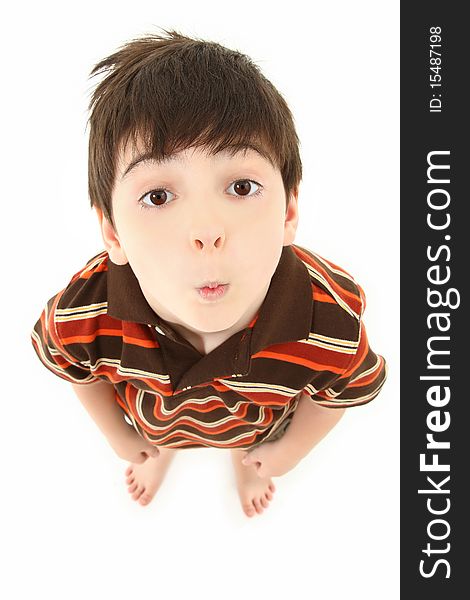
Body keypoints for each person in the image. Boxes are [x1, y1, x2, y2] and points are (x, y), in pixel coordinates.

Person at [31, 28, 388, 517]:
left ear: (288, 211)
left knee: (256, 448)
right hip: (155, 417)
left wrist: (286, 453)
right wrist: (119, 436)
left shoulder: (327, 324)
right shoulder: (86, 309)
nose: (205, 230)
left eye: (241, 186)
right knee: (158, 432)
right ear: (112, 232)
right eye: (158, 196)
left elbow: (344, 390)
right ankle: (165, 448)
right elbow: (70, 364)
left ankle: (245, 460)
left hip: (256, 422)